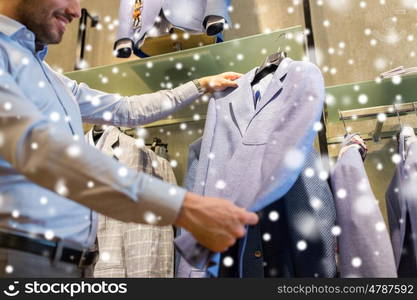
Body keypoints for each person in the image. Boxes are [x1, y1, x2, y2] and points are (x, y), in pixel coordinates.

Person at [0, 0, 258, 277]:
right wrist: (184, 207)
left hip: (74, 266)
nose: (76, 11)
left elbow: (125, 110)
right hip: (21, 261)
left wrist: (200, 85)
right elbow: (40, 150)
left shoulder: (50, 76)